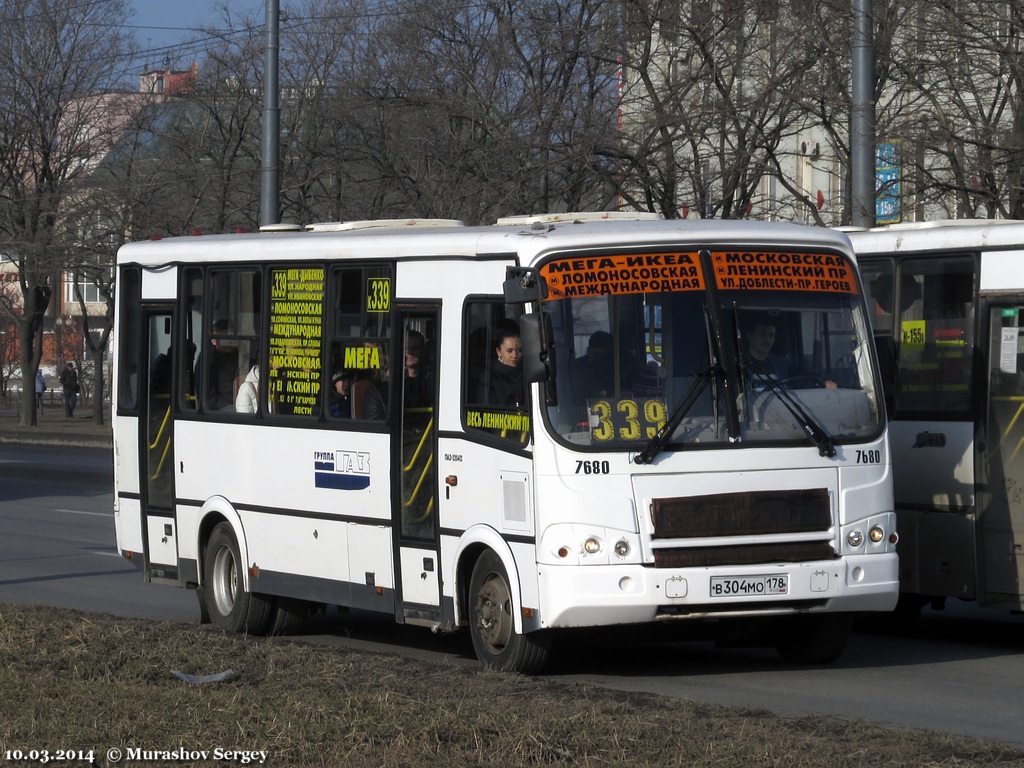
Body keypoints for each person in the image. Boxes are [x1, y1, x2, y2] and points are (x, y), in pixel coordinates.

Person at [478, 328, 525, 407]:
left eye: (519, 351)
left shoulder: (527, 373)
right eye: (509, 351)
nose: (515, 355)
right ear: (498, 351)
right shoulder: (489, 378)